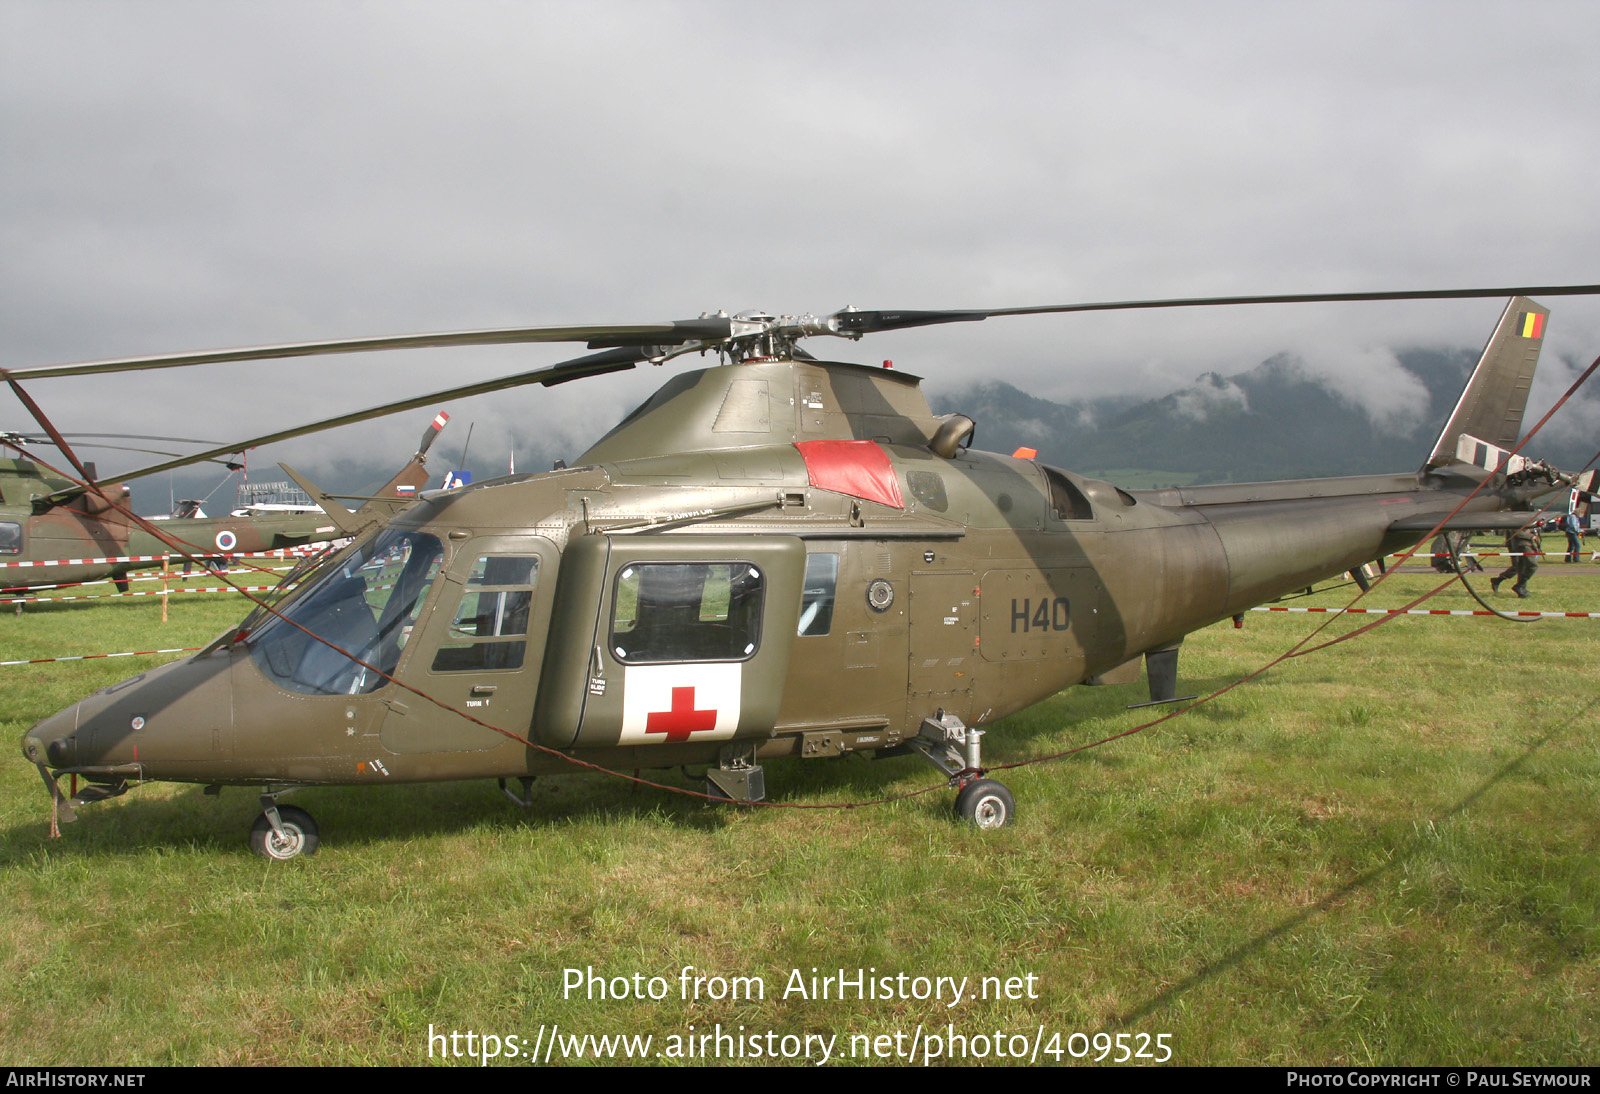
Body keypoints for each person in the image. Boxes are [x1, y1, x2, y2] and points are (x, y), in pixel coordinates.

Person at [1491, 524, 1540, 598]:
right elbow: (1517, 533)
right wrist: (1531, 536)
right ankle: (1519, 586)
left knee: (1521, 567)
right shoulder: (1517, 518)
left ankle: (1521, 588)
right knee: (1530, 566)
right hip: (1521, 546)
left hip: (1526, 545)